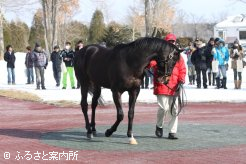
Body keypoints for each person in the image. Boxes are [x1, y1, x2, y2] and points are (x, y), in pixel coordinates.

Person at [149, 33, 186, 139]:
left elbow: (182, 69)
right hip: (162, 84)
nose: (171, 43)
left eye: (173, 41)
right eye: (169, 41)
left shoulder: (178, 56)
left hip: (174, 85)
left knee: (174, 110)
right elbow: (151, 63)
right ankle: (159, 126)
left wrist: (181, 80)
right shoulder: (159, 55)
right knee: (163, 108)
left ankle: (172, 132)